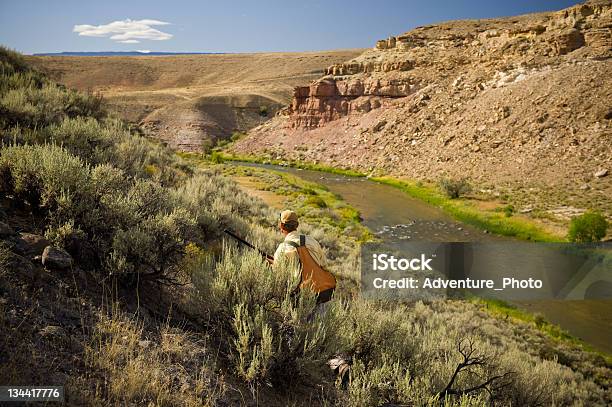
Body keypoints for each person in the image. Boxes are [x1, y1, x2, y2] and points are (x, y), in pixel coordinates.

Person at [273, 209, 336, 309]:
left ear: (281, 226)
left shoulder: (282, 249)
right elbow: (324, 266)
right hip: (323, 294)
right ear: (297, 225)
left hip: (302, 300)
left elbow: (278, 277)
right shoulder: (312, 241)